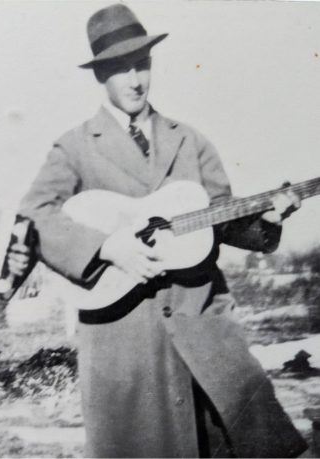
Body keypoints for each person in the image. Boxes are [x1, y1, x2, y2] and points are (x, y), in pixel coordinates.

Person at [19, 4, 308, 458]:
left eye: (142, 64)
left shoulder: (189, 140)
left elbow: (221, 217)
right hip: (127, 348)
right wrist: (105, 247)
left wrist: (267, 219)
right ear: (100, 76)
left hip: (205, 333)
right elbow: (35, 214)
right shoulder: (74, 148)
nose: (135, 80)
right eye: (120, 69)